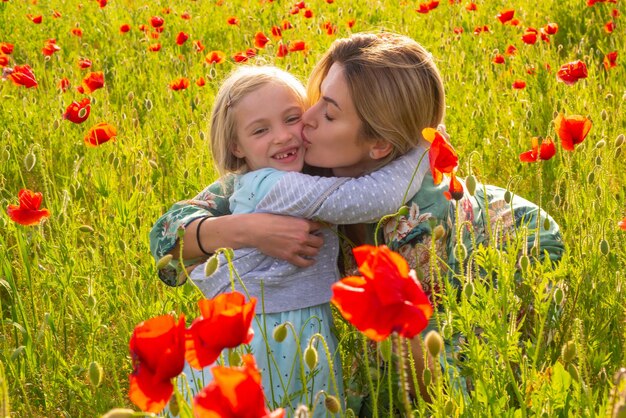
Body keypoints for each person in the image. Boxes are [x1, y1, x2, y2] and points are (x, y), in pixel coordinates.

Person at [150, 32, 564, 412]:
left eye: (328, 115)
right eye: (315, 100)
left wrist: (392, 317)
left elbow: (443, 389)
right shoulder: (299, 170)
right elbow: (166, 234)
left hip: (514, 255)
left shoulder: (422, 228)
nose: (305, 121)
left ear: (380, 144)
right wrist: (248, 230)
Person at [169, 64, 430, 416]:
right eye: (261, 130)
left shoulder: (294, 174)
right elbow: (374, 198)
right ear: (237, 146)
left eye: (292, 118)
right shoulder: (272, 185)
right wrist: (421, 147)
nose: (283, 136)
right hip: (269, 340)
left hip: (295, 328)